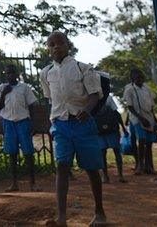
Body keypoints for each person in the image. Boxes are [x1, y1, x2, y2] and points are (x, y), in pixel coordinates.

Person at [39, 31, 106, 227]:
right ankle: (61, 217)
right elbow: (51, 99)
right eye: (51, 44)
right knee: (62, 166)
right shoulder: (46, 73)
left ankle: (100, 212)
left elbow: (95, 95)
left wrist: (86, 111)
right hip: (60, 124)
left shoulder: (83, 68)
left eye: (59, 43)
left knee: (92, 168)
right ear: (48, 49)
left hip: (83, 124)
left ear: (68, 45)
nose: (56, 47)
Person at [0, 64, 38, 192]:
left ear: (17, 74)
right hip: (8, 122)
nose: (10, 75)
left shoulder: (24, 87)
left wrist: (33, 123)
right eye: (8, 73)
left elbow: (31, 105)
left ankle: (33, 184)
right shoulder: (2, 87)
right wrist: (4, 93)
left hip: (23, 121)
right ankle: (14, 184)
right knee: (12, 154)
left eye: (12, 73)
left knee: (28, 153)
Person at [122, 68, 157, 175]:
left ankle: (149, 166)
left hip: (149, 117)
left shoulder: (147, 89)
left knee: (149, 142)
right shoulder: (129, 90)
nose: (140, 79)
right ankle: (140, 165)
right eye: (137, 77)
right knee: (141, 139)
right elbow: (130, 107)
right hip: (137, 118)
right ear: (132, 78)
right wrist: (141, 118)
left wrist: (155, 120)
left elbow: (151, 106)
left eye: (141, 77)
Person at [96, 87, 126, 184]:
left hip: (104, 130)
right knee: (113, 152)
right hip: (107, 129)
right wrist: (123, 127)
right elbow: (116, 113)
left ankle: (107, 176)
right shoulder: (107, 97)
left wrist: (123, 127)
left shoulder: (95, 99)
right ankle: (118, 175)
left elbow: (116, 113)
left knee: (105, 153)